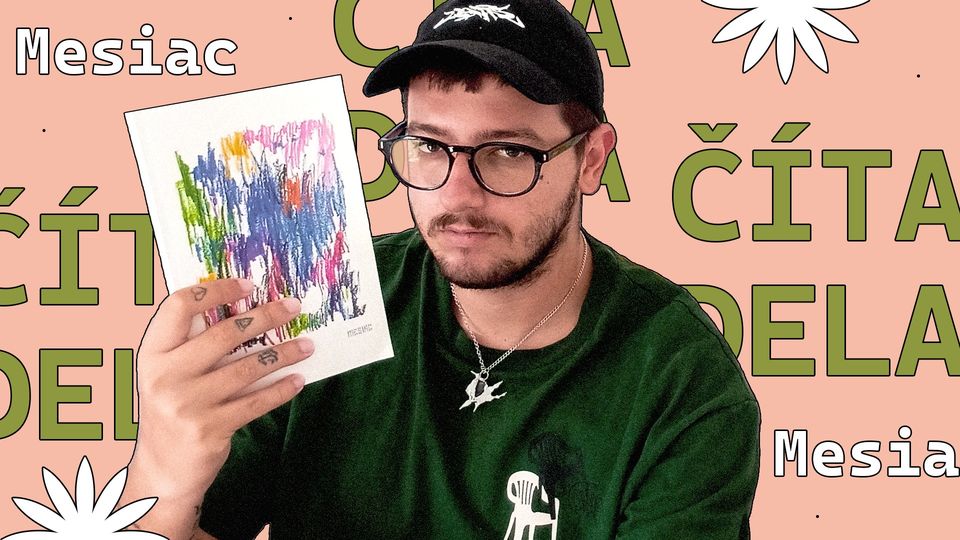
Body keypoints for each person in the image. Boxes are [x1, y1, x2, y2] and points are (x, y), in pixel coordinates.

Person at [124, 1, 760, 538]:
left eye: (508, 151)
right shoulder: (316, 307)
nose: (458, 194)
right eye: (430, 146)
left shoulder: (680, 378)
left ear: (591, 159)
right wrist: (161, 479)